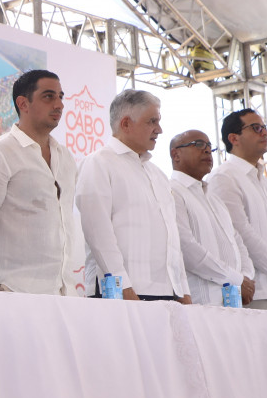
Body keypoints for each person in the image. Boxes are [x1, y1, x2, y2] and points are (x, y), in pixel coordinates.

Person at [75, 89, 189, 302]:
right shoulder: (99, 163)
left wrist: (183, 290)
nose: (159, 130)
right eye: (152, 121)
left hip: (167, 292)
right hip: (122, 291)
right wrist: (123, 286)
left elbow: (172, 238)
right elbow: (97, 231)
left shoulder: (158, 174)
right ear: (126, 123)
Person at [0, 69, 81, 295]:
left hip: (63, 292)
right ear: (23, 104)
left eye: (60, 97)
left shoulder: (65, 157)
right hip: (12, 290)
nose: (59, 105)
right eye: (48, 97)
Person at [206, 109, 267, 310]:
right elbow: (240, 234)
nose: (264, 133)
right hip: (255, 293)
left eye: (265, 128)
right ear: (234, 138)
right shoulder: (224, 177)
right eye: (256, 128)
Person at [168, 129, 254, 306]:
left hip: (235, 301)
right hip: (202, 304)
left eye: (209, 146)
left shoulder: (214, 199)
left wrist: (246, 277)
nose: (207, 150)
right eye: (198, 144)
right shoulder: (171, 192)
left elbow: (236, 241)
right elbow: (186, 248)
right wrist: (235, 279)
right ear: (176, 155)